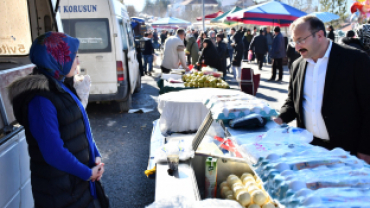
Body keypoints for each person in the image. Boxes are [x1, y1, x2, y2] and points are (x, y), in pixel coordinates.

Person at [8, 32, 107, 207]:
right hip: (61, 194)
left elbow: (82, 129)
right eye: (74, 56)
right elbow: (53, 152)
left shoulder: (61, 87)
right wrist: (87, 173)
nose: (78, 61)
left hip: (77, 186)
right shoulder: (41, 100)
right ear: (57, 59)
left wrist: (95, 156)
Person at [273, 16, 370, 164]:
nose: (297, 47)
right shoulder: (297, 65)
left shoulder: (355, 59)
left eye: (301, 40)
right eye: (294, 41)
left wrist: (365, 150)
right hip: (310, 149)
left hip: (348, 152)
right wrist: (280, 118)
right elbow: (292, 101)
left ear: (319, 35)